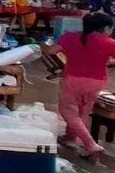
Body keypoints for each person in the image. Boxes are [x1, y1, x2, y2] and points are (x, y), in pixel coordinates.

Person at [45, 12, 115, 163]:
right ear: (105, 28)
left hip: (73, 80)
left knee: (68, 111)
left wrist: (46, 45)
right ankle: (71, 138)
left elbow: (51, 51)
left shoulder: (70, 37)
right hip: (97, 82)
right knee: (83, 111)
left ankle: (91, 145)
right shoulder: (109, 42)